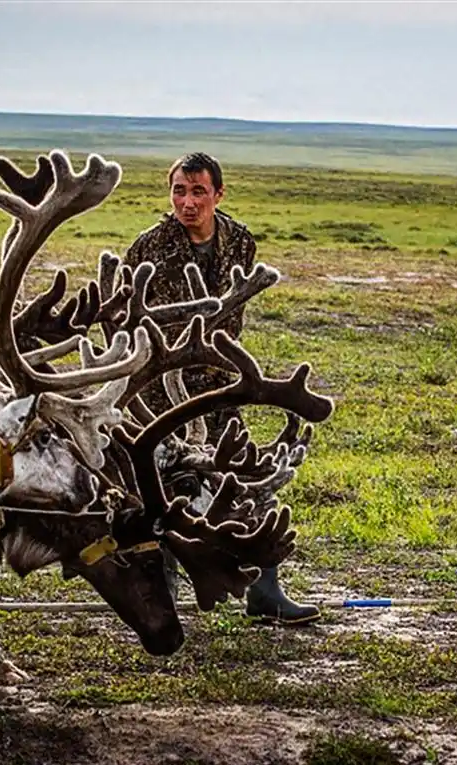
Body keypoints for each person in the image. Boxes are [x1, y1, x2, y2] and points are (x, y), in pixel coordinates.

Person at [124, 151, 321, 626]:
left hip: (220, 388)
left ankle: (265, 590)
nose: (186, 203)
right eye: (178, 191)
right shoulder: (147, 249)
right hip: (163, 394)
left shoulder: (240, 245)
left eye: (197, 192)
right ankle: (161, 599)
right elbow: (126, 324)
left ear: (217, 194)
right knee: (165, 491)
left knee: (245, 477)